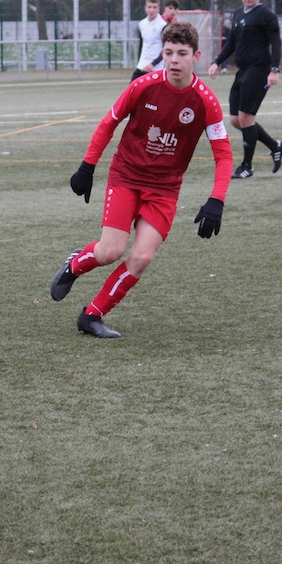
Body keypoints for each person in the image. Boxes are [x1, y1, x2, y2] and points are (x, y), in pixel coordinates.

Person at [49, 22, 232, 339]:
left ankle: (92, 315)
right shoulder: (143, 86)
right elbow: (109, 123)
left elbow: (224, 155)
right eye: (169, 52)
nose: (174, 60)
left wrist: (217, 199)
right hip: (126, 177)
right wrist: (87, 167)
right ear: (163, 53)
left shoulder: (206, 101)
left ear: (196, 56)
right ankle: (75, 265)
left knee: (142, 257)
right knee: (110, 251)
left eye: (182, 54)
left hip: (164, 189)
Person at [207, 0, 282, 179]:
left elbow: (276, 43)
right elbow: (232, 43)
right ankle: (275, 146)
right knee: (236, 120)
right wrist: (217, 61)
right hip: (242, 71)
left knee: (246, 118)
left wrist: (274, 70)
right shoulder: (238, 14)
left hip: (259, 70)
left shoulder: (266, 15)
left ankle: (247, 166)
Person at [131, 0, 166, 82]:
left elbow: (165, 49)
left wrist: (153, 64)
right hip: (142, 64)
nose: (151, 10)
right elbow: (142, 44)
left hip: (156, 67)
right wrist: (140, 61)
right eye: (149, 7)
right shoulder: (142, 24)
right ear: (145, 8)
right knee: (132, 88)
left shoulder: (163, 25)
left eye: (154, 7)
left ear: (158, 9)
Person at [147, 0, 181, 71]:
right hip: (155, 59)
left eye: (175, 9)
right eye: (170, 8)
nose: (173, 11)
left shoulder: (174, 21)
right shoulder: (161, 22)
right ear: (165, 9)